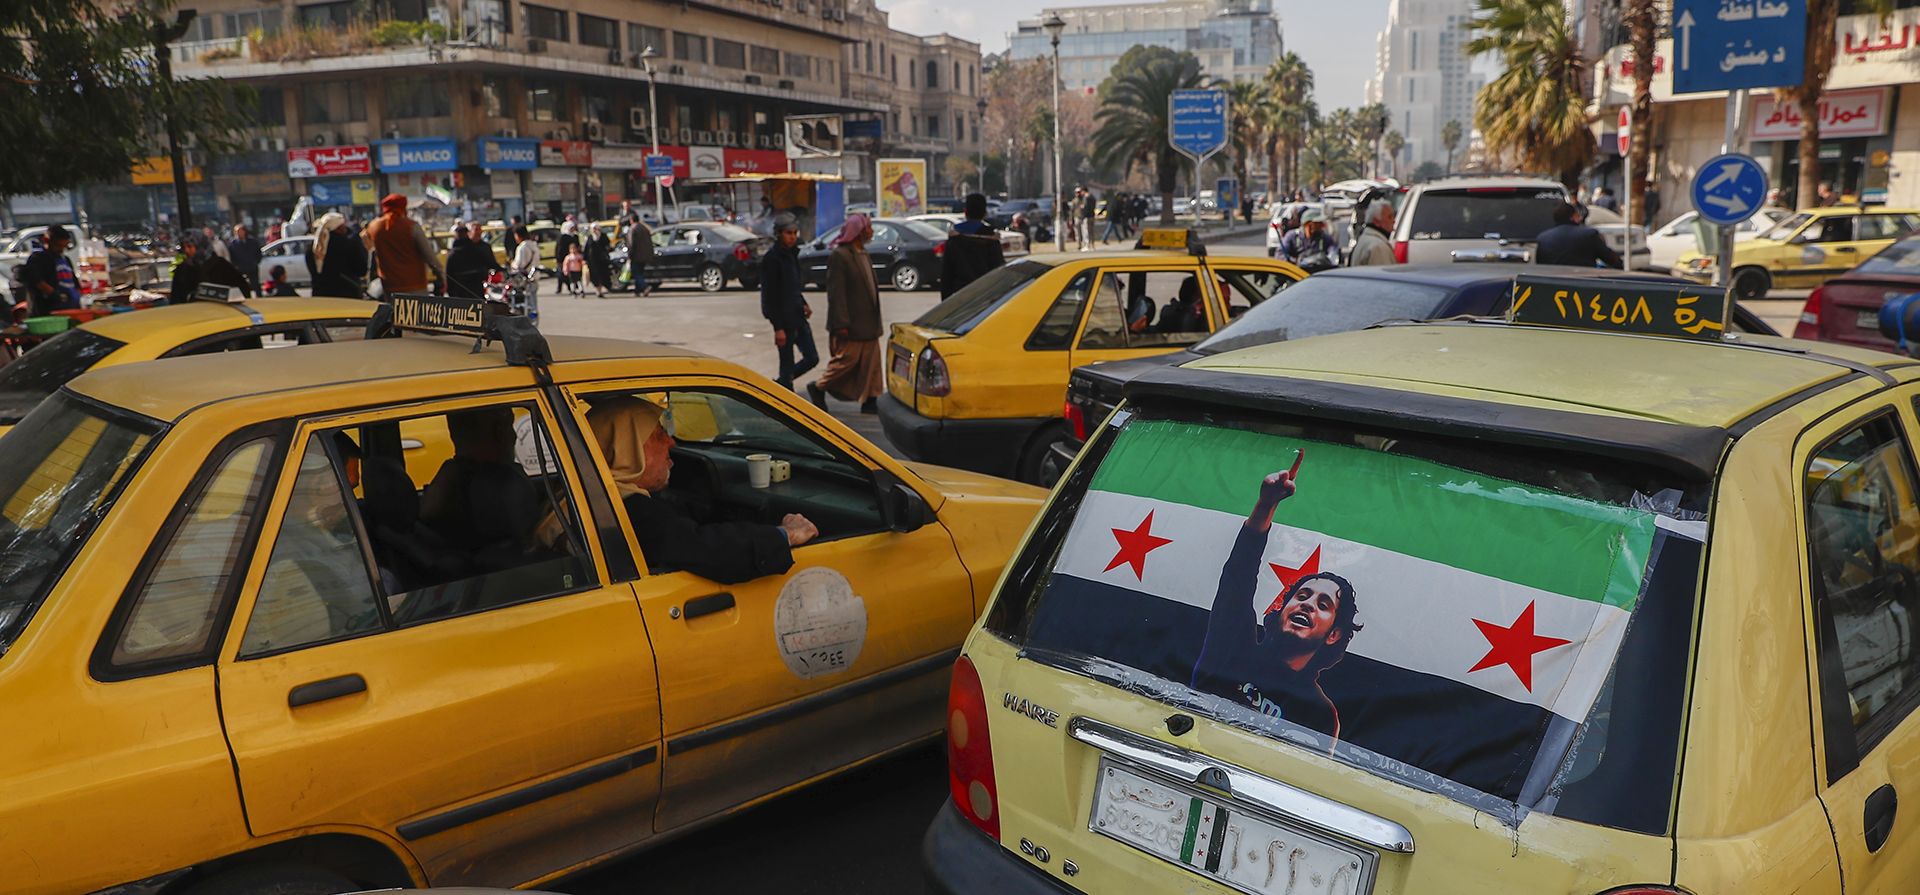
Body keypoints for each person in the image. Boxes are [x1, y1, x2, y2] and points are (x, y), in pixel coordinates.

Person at [1190, 454, 1360, 739]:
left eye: (1323, 604)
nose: (1307, 604)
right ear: (1283, 609)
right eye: (1302, 595)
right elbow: (1237, 580)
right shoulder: (1235, 645)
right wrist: (1266, 505)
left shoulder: (1319, 713)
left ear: (1334, 634)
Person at [587, 396, 818, 584]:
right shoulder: (629, 512)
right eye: (658, 435)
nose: (671, 442)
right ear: (626, 451)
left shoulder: (594, 499)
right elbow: (709, 550)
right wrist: (785, 535)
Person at [808, 213, 885, 414]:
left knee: (872, 364)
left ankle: (871, 399)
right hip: (853, 323)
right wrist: (841, 322)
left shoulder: (863, 253)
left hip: (870, 322)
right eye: (868, 228)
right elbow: (837, 293)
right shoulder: (840, 256)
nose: (872, 232)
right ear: (859, 231)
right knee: (846, 361)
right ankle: (819, 387)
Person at [760, 214, 818, 390]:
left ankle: (781, 384)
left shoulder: (792, 254)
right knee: (786, 365)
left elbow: (793, 287)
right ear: (779, 234)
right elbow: (770, 296)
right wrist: (778, 327)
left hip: (798, 316)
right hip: (784, 322)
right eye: (788, 233)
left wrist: (803, 303)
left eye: (794, 233)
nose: (792, 237)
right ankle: (783, 388)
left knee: (812, 358)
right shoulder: (772, 259)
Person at [362, 194, 444, 295]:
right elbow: (429, 256)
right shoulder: (412, 226)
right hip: (415, 285)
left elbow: (371, 252)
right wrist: (441, 276)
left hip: (389, 286)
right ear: (403, 207)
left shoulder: (374, 227)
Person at [941, 194, 1006, 299]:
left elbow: (946, 276)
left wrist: (946, 302)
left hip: (961, 296)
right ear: (984, 213)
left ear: (965, 212)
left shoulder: (954, 239)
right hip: (986, 296)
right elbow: (998, 272)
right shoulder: (992, 240)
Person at [1533, 202, 1623, 269]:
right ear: (1573, 217)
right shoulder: (1589, 235)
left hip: (1553, 284)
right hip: (1582, 283)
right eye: (1577, 215)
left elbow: (1540, 265)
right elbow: (1611, 259)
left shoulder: (1543, 238)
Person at [16, 225, 82, 317]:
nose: (61, 250)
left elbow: (75, 283)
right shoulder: (38, 259)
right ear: (46, 240)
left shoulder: (65, 260)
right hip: (48, 312)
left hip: (70, 309)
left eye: (64, 246)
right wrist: (55, 295)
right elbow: (36, 280)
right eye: (58, 245)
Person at [170, 231, 252, 303]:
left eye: (190, 246)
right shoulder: (182, 269)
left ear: (201, 246)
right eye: (184, 247)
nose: (187, 251)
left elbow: (242, 291)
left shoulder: (220, 265)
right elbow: (176, 297)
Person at [307, 212, 368, 298]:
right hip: (347, 294)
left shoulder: (313, 248)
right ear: (339, 228)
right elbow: (362, 270)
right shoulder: (349, 245)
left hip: (320, 296)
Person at [444, 223, 504, 301]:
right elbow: (489, 263)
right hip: (475, 289)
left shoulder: (453, 254)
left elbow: (449, 274)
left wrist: (450, 291)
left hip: (459, 292)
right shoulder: (476, 250)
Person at [1349, 200, 1398, 266]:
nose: (1394, 221)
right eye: (1389, 217)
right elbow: (1382, 272)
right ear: (1376, 221)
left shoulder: (1365, 239)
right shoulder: (1378, 247)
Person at [227, 224, 263, 293]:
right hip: (241, 268)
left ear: (244, 231)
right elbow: (231, 256)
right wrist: (236, 266)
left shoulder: (252, 242)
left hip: (252, 267)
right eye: (236, 231)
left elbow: (258, 253)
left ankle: (258, 296)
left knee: (255, 285)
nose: (238, 233)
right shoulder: (233, 244)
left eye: (240, 231)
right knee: (243, 286)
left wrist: (256, 262)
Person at [626, 215, 655, 296]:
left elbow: (631, 244)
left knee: (636, 273)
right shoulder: (644, 228)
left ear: (631, 220)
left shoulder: (633, 229)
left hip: (636, 255)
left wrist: (629, 256)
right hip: (645, 255)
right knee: (640, 272)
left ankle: (645, 287)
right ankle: (637, 291)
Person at [585, 225, 613, 297]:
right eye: (593, 229)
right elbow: (586, 249)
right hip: (592, 260)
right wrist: (585, 259)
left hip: (602, 260)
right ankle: (598, 291)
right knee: (595, 276)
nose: (594, 230)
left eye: (595, 228)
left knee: (602, 275)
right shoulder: (590, 237)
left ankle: (601, 289)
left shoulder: (603, 236)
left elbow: (608, 246)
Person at [554, 220, 581, 287]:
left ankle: (574, 286)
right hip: (563, 257)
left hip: (573, 258)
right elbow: (559, 249)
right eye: (571, 228)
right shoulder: (562, 237)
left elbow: (577, 246)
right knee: (562, 273)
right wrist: (558, 259)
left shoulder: (575, 236)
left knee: (573, 273)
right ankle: (560, 287)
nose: (573, 229)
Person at [1076, 188, 1096, 252]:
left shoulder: (1086, 198)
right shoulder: (1093, 197)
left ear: (1084, 191)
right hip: (1092, 216)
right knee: (1092, 231)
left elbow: (1086, 207)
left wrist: (1082, 208)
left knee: (1086, 231)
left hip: (1087, 216)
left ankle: (1087, 245)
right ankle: (1092, 245)